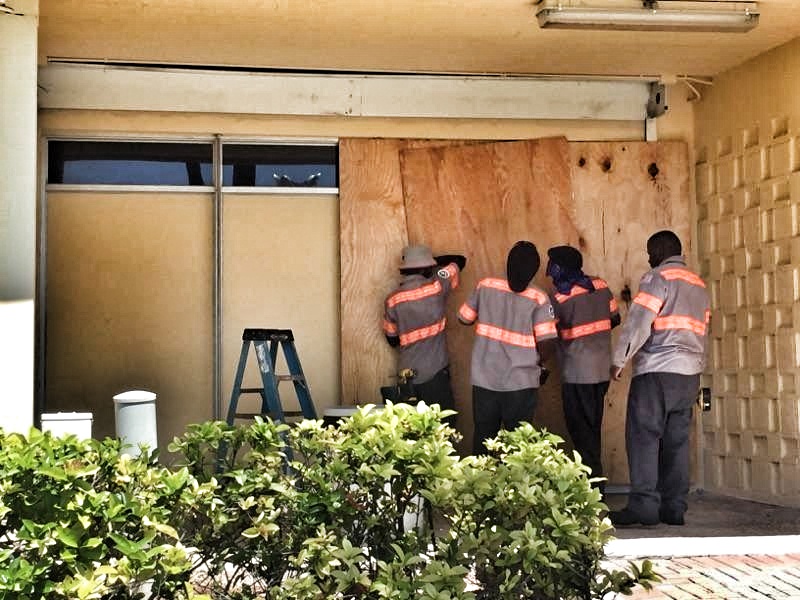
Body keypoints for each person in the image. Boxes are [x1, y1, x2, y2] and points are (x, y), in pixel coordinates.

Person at [609, 230, 710, 527]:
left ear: (660, 251)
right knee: (677, 442)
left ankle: (643, 506)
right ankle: (674, 507)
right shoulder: (699, 285)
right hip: (689, 374)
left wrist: (619, 360)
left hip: (657, 371)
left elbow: (639, 322)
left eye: (650, 252)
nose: (649, 258)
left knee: (644, 438)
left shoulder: (657, 278)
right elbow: (703, 329)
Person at [458, 241, 557, 454]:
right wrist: (539, 365)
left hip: (485, 380)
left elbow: (464, 318)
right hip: (521, 383)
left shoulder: (485, 285)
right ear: (534, 272)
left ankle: (481, 487)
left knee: (484, 440)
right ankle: (514, 488)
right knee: (518, 447)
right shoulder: (539, 297)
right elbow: (548, 343)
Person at [545, 245, 620, 494]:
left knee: (581, 434)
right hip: (601, 372)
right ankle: (593, 487)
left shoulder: (559, 298)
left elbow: (547, 334)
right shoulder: (600, 285)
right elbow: (615, 318)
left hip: (577, 375)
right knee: (593, 428)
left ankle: (593, 490)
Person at [382, 244, 466, 421]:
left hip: (407, 376)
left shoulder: (392, 300)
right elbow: (459, 260)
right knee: (443, 427)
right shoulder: (437, 285)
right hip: (434, 375)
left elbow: (392, 340)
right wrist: (435, 262)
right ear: (428, 267)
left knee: (410, 432)